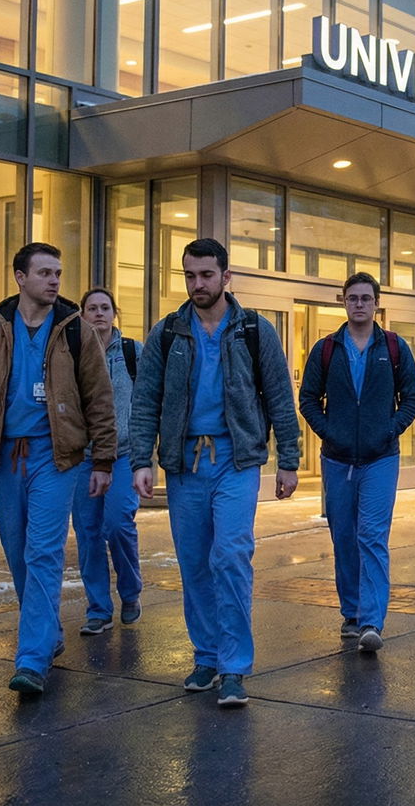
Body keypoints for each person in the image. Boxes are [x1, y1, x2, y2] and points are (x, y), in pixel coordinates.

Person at [0, 242, 118, 696]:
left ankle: (32, 657)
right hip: (3, 456)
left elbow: (100, 399)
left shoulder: (76, 332)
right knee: (16, 549)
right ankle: (48, 632)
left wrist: (103, 459)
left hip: (55, 458)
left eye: (58, 272)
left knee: (43, 551)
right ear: (19, 277)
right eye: (44, 273)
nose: (55, 281)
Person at [128, 237, 301, 708]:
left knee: (230, 555)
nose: (197, 284)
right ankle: (206, 656)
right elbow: (145, 401)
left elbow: (280, 396)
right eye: (189, 275)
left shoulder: (252, 329)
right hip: (185, 463)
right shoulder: (168, 333)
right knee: (195, 562)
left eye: (206, 274)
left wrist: (289, 458)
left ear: (226, 277)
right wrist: (140, 459)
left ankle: (234, 666)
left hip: (235, 459)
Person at [298, 272, 415, 652]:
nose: (359, 304)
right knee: (344, 537)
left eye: (366, 298)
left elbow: (413, 398)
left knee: (371, 536)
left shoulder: (394, 347)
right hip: (336, 459)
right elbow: (307, 400)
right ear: (343, 301)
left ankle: (371, 621)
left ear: (376, 303)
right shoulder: (326, 349)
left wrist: (389, 430)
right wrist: (329, 433)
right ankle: (351, 611)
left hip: (380, 458)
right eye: (352, 298)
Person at [70, 287, 144, 636]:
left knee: (117, 524)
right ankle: (98, 608)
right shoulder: (70, 353)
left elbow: (148, 400)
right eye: (92, 308)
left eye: (105, 307)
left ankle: (130, 593)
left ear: (114, 313)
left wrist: (147, 450)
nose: (98, 313)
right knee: (88, 534)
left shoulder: (132, 352)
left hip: (124, 454)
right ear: (82, 314)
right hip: (83, 458)